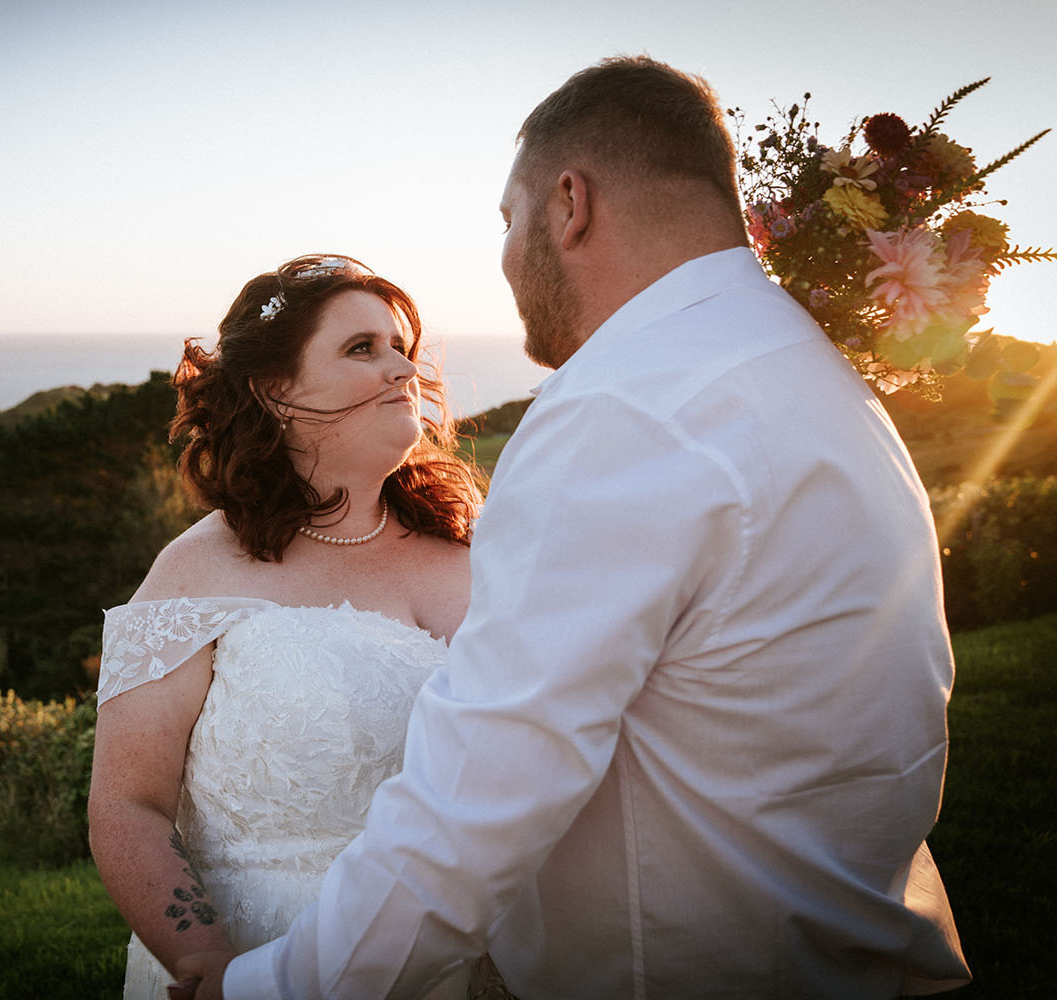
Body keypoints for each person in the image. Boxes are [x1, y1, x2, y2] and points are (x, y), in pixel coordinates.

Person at [181, 56, 972, 999]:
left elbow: (480, 805)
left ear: (570, 203)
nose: (507, 259)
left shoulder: (623, 410)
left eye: (508, 222)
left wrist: (268, 989)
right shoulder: (817, 375)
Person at [87, 254, 495, 999]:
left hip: (455, 961)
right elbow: (126, 804)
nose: (403, 367)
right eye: (361, 348)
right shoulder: (196, 572)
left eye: (400, 345)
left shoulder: (481, 552)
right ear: (277, 392)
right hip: (252, 956)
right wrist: (205, 961)